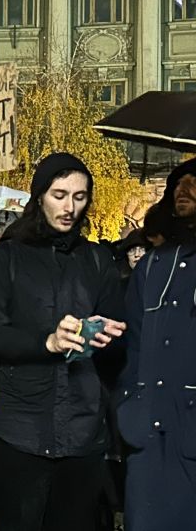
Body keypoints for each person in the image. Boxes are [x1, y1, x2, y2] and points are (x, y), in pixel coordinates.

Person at [0, 153, 126, 531]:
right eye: (59, 194)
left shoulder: (98, 259)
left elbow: (118, 338)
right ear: (39, 196)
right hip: (20, 430)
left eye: (79, 196)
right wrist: (48, 342)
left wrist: (106, 334)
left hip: (83, 432)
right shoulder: (5, 258)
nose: (69, 207)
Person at [118, 158, 196, 531]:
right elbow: (130, 342)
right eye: (180, 182)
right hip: (146, 430)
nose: (185, 189)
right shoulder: (152, 265)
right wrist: (126, 404)